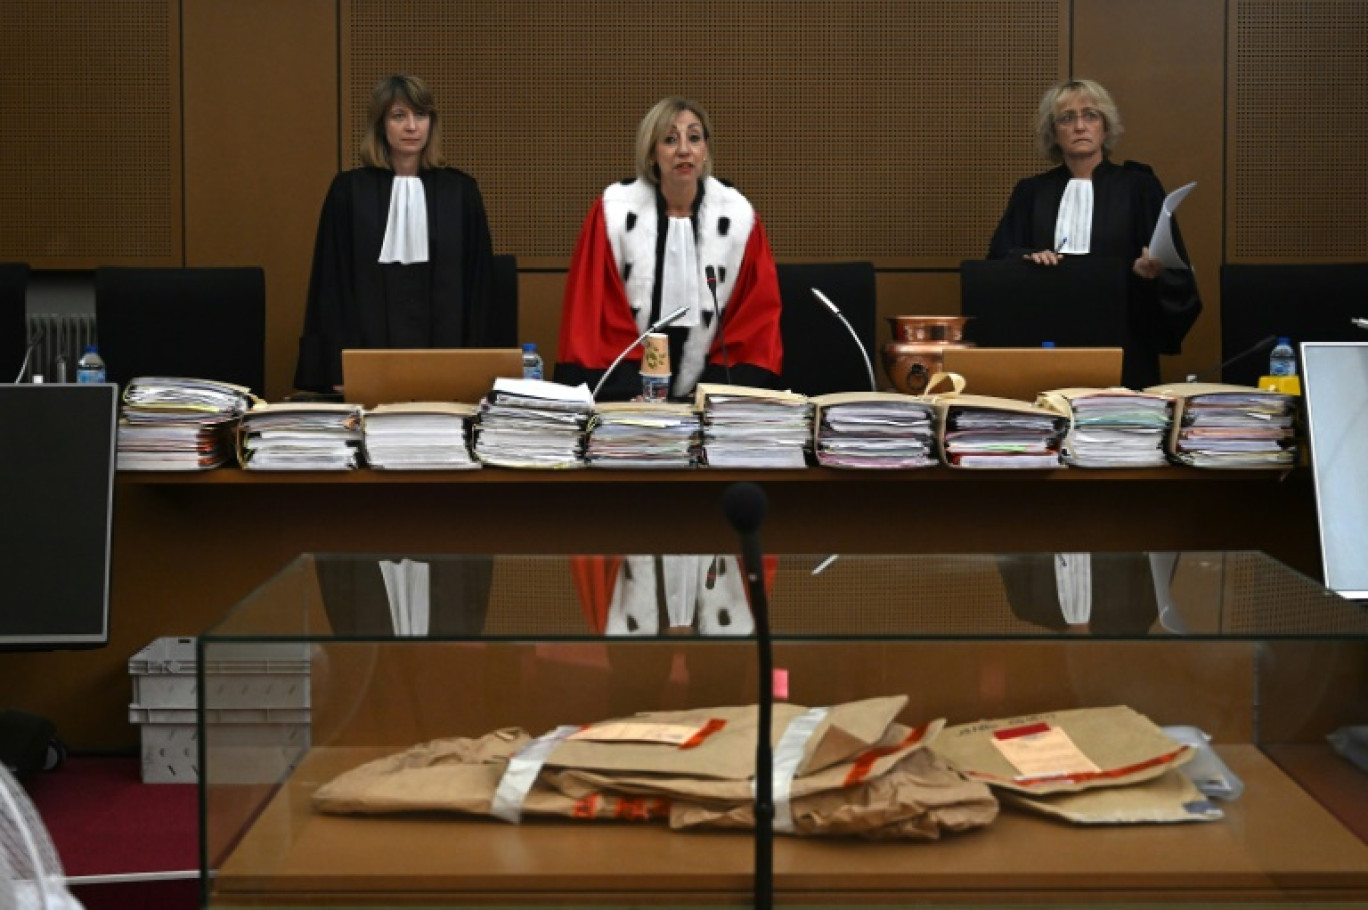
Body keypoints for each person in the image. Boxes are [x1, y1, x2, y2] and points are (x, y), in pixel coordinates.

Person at [553, 97, 783, 400]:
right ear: (651, 153)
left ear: (705, 151)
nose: (684, 150)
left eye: (694, 138)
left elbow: (753, 323)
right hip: (630, 399)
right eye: (670, 139)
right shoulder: (614, 214)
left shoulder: (738, 218)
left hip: (711, 400)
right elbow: (597, 318)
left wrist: (710, 398)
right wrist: (631, 394)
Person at [988, 79, 1201, 389]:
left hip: (1122, 338)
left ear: (1105, 128)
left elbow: (1175, 271)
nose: (1079, 126)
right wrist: (1027, 258)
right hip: (1047, 337)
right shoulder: (1031, 192)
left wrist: (1148, 275)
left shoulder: (1138, 187)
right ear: (1054, 133)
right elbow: (997, 264)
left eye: (1090, 115)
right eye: (1067, 118)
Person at [294, 74, 498, 393]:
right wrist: (338, 367)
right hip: (366, 363)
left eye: (421, 115)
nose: (412, 127)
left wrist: (480, 369)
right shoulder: (348, 193)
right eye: (399, 116)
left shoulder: (460, 192)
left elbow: (479, 288)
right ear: (380, 124)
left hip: (448, 362)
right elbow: (332, 285)